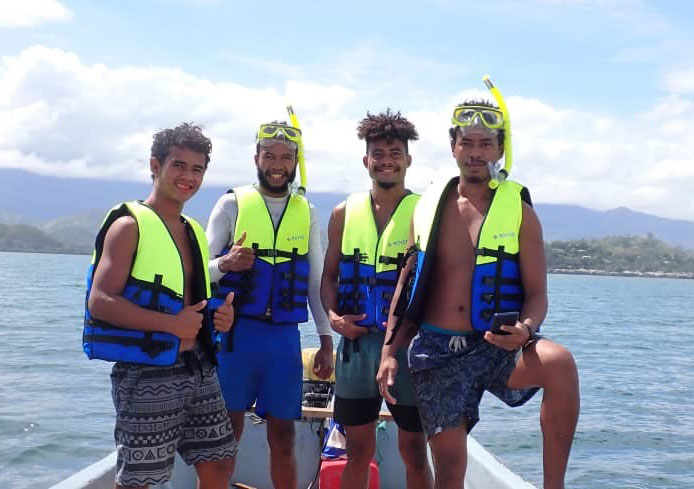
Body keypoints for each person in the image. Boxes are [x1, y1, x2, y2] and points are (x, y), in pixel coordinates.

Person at [377, 101, 580, 489]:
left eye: (485, 144)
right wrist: (389, 353)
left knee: (560, 364)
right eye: (466, 142)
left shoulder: (520, 212)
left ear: (500, 150)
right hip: (438, 352)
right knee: (451, 471)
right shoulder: (427, 209)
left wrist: (526, 327)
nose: (475, 152)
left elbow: (537, 294)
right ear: (452, 147)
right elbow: (405, 288)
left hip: (495, 347)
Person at [85, 123, 237, 489]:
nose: (188, 177)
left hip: (198, 368)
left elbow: (190, 302)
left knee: (219, 461)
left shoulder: (194, 231)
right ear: (155, 165)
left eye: (197, 169)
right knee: (140, 480)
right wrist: (170, 325)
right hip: (146, 372)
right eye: (179, 166)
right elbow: (100, 302)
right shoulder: (128, 226)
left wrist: (220, 316)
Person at [205, 120, 334, 489]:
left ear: (296, 161)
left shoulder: (305, 210)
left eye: (285, 157)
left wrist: (326, 338)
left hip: (282, 341)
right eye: (269, 156)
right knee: (225, 435)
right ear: (256, 158)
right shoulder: (231, 203)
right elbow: (199, 271)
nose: (277, 164)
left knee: (284, 436)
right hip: (236, 338)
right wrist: (225, 264)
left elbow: (315, 280)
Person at [321, 109, 433, 489]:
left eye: (395, 153)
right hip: (355, 349)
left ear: (408, 159)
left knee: (415, 452)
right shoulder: (342, 213)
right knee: (356, 452)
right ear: (366, 160)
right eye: (378, 154)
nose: (387, 160)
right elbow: (328, 278)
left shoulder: (424, 212)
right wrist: (334, 319)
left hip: (407, 349)